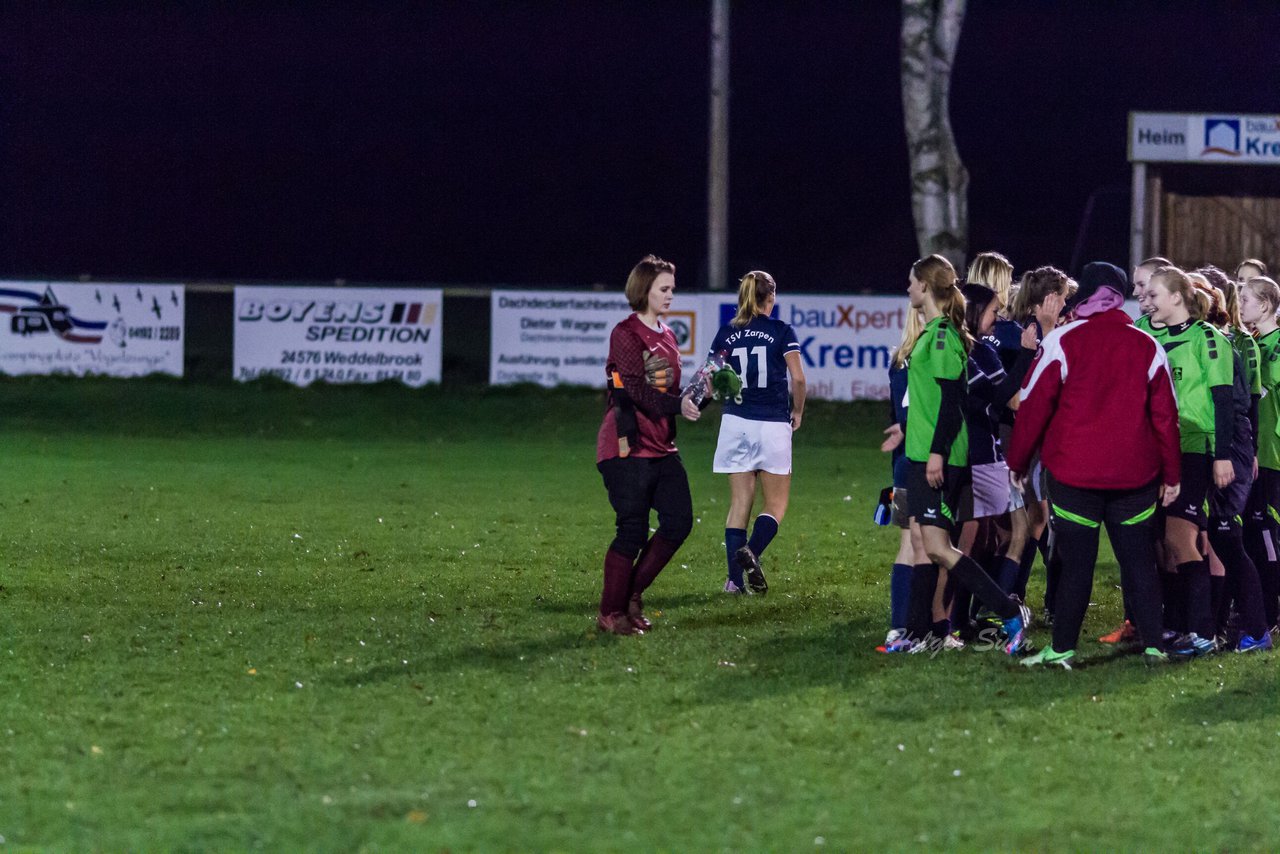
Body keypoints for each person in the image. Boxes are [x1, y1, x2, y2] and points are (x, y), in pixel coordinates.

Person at [1009, 262, 1181, 668]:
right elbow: (1165, 418)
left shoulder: (1063, 341)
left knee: (1075, 566)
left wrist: (1017, 461)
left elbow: (1033, 407)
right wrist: (1172, 474)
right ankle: (1155, 645)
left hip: (1074, 476)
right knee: (1139, 562)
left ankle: (1063, 648)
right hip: (1135, 478)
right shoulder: (1146, 345)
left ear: (1086, 294)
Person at [895, 254, 1031, 655]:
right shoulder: (936, 332)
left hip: (937, 460)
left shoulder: (941, 336)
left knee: (938, 548)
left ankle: (1008, 611)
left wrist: (937, 453)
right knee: (923, 545)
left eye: (911, 282)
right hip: (921, 456)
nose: (907, 289)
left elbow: (952, 401)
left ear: (924, 287)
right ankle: (919, 635)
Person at [595, 255, 702, 635]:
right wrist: (676, 403)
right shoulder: (625, 333)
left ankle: (631, 595)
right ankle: (610, 613)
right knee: (632, 531)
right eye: (664, 288)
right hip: (627, 446)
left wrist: (698, 395)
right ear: (644, 290)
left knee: (678, 522)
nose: (671, 295)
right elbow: (637, 390)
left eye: (672, 288)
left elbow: (667, 391)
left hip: (661, 446)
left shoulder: (668, 333)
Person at [1145, 266, 1236, 657]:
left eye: (1154, 295)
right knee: (1163, 543)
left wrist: (1223, 455)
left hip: (1192, 448)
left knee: (1181, 539)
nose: (1147, 302)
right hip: (1152, 450)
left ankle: (1203, 632)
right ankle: (1176, 625)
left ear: (1177, 298)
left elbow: (1222, 401)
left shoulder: (1207, 338)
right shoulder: (1148, 336)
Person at [708, 270, 806, 594]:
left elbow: (711, 377)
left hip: (735, 422)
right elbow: (799, 379)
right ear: (771, 297)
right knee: (775, 505)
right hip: (773, 424)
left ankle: (734, 583)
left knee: (739, 505)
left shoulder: (726, 332)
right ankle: (753, 551)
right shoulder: (781, 330)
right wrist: (798, 411)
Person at [877, 306, 925, 650]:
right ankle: (926, 627)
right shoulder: (930, 355)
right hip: (924, 463)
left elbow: (897, 416)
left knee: (911, 544)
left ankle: (901, 627)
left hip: (903, 465)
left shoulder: (898, 360)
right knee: (926, 546)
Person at [1240, 275, 1280, 636]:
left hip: (1272, 455)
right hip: (1257, 453)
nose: (1241, 307)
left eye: (1246, 300)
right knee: (1257, 534)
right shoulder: (1253, 342)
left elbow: (1264, 390)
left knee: (1269, 534)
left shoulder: (1277, 345)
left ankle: (1271, 612)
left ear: (1265, 305)